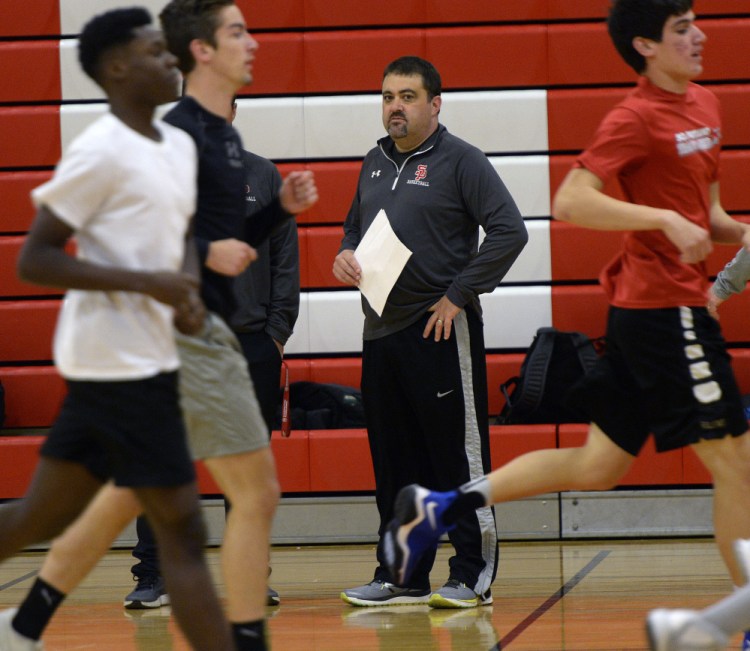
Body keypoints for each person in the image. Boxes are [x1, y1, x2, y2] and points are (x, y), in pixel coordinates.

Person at [382, 0, 750, 635]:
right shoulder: (635, 117)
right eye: (682, 29)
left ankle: (443, 507)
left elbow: (705, 215)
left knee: (596, 466)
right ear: (645, 46)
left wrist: (737, 231)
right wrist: (659, 220)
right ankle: (733, 621)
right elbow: (572, 200)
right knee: (736, 463)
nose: (700, 35)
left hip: (655, 312)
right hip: (665, 313)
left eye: (696, 23)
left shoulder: (707, 107)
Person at [0, 2, 317, 650]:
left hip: (168, 344)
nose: (252, 43)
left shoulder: (202, 142)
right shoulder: (134, 141)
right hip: (138, 352)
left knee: (139, 506)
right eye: (237, 31)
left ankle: (24, 624)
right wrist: (188, 269)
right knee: (244, 498)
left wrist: (260, 223)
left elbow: (181, 243)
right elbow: (50, 255)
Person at [333, 55, 528, 609]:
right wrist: (345, 253)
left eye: (408, 96)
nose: (396, 106)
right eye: (389, 96)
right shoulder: (373, 160)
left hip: (440, 331)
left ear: (435, 103)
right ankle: (402, 573)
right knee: (395, 462)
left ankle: (472, 572)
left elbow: (509, 232)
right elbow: (354, 226)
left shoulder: (462, 160)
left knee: (456, 459)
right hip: (380, 333)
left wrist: (458, 295)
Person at [124, 97, 299, 610]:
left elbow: (285, 260)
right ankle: (154, 575)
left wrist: (276, 334)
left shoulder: (264, 176)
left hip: (249, 344)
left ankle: (250, 573)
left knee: (246, 469)